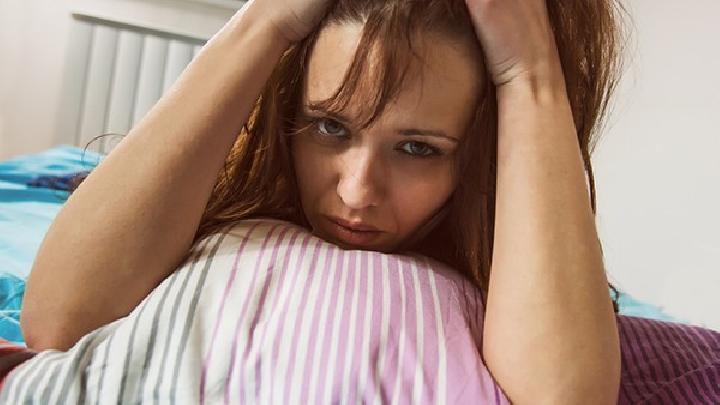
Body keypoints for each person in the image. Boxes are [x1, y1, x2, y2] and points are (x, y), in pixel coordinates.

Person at [19, 0, 624, 402]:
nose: (357, 191)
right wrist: (266, 21)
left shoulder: (513, 273)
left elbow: (564, 397)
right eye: (330, 127)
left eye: (417, 148)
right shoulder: (229, 197)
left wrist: (530, 77)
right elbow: (57, 322)